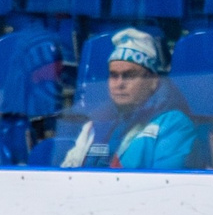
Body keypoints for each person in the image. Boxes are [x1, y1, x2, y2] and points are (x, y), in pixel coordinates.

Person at [59, 26, 202, 170]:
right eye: (114, 75)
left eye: (129, 75)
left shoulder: (174, 125)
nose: (119, 84)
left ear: (152, 81)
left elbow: (165, 187)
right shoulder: (94, 124)